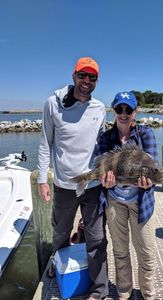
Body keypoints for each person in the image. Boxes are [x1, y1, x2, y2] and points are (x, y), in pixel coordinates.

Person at [37, 57, 108, 300]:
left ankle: (99, 290)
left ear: (97, 81)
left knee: (97, 238)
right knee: (60, 233)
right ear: (73, 75)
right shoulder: (52, 104)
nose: (86, 81)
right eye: (83, 75)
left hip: (94, 185)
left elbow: (103, 147)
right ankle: (59, 268)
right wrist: (42, 180)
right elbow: (45, 143)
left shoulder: (100, 108)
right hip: (65, 185)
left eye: (92, 77)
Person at [99, 92, 158, 300]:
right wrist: (104, 179)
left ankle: (147, 294)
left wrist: (149, 180)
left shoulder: (146, 134)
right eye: (119, 109)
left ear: (135, 112)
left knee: (147, 253)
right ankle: (124, 293)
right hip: (115, 201)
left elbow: (152, 166)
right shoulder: (106, 138)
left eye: (128, 110)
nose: (124, 114)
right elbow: (101, 165)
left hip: (142, 203)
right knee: (120, 251)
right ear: (113, 111)